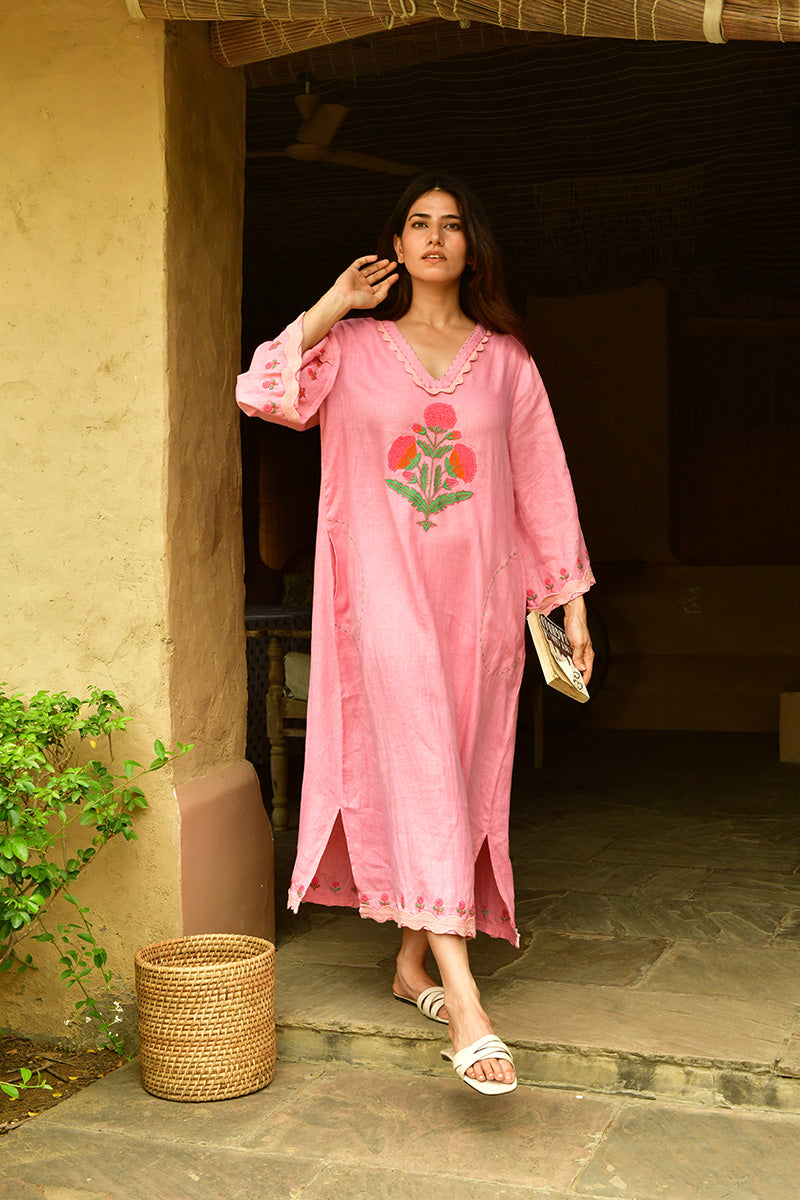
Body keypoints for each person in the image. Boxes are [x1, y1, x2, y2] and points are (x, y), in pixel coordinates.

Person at [237, 172, 595, 1096]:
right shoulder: (352, 347)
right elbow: (263, 391)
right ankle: (467, 1004)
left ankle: (409, 964)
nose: (434, 237)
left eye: (452, 225)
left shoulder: (506, 362)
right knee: (427, 760)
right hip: (379, 598)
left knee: (459, 772)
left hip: (481, 608)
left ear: (473, 247)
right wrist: (334, 302)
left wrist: (569, 600)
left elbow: (543, 483)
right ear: (394, 245)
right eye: (417, 224)